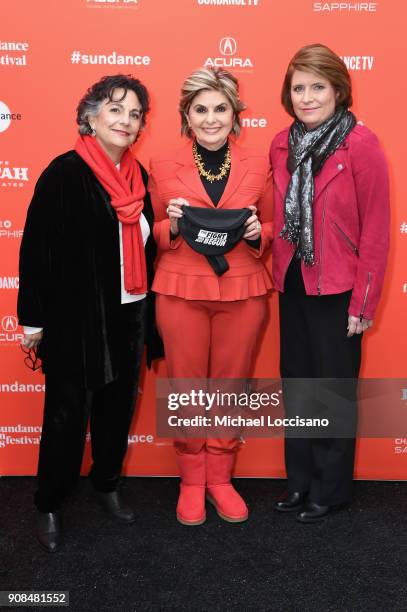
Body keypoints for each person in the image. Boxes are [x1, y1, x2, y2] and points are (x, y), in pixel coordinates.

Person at [18, 74, 162, 552]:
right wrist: (34, 321)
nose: (126, 120)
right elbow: (37, 250)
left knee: (116, 412)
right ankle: (50, 503)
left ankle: (105, 486)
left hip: (127, 315)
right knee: (65, 416)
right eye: (116, 109)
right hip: (73, 322)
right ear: (91, 117)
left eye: (135, 113)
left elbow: (148, 250)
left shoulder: (138, 176)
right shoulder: (64, 172)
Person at [270, 44, 390, 522]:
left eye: (317, 86)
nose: (307, 97)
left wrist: (363, 302)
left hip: (339, 286)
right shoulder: (282, 143)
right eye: (298, 87)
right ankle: (298, 482)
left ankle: (331, 488)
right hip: (293, 281)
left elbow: (377, 231)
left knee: (332, 390)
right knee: (297, 386)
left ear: (338, 90)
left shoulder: (361, 144)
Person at [149, 67, 273, 526]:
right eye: (200, 109)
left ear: (235, 113)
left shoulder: (260, 163)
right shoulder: (161, 164)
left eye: (220, 108)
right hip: (180, 287)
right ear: (187, 114)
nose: (211, 119)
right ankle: (191, 483)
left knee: (230, 386)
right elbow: (151, 232)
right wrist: (174, 227)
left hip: (242, 289)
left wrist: (263, 233)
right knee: (185, 389)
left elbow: (277, 225)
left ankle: (220, 479)